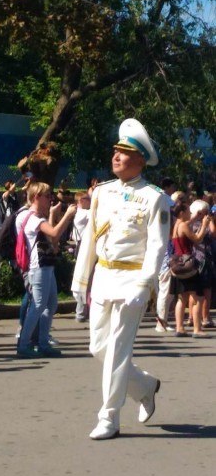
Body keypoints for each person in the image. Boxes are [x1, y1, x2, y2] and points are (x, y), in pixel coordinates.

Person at [71, 118, 171, 440]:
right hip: (103, 276)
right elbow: (90, 240)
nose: (116, 156)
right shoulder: (102, 192)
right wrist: (81, 280)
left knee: (117, 350)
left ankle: (109, 417)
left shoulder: (154, 198)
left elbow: (157, 244)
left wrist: (146, 284)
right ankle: (144, 385)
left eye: (125, 152)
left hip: (131, 278)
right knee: (98, 346)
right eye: (115, 150)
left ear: (140, 160)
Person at [16, 182, 77, 358]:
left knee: (50, 304)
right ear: (37, 197)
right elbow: (54, 233)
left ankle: (42, 343)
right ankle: (24, 343)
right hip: (39, 266)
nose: (50, 199)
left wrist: (52, 214)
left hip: (46, 265)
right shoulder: (34, 219)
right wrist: (67, 215)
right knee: (38, 304)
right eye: (47, 196)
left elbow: (51, 240)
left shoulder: (33, 216)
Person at [169, 201, 210, 337]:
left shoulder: (177, 225)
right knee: (198, 297)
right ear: (182, 213)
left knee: (182, 298)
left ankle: (180, 327)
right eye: (188, 211)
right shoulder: (184, 226)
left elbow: (186, 224)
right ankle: (197, 329)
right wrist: (204, 224)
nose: (190, 213)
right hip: (188, 264)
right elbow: (197, 239)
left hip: (177, 263)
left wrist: (196, 218)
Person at [71, 192, 91, 322]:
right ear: (81, 201)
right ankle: (80, 312)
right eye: (88, 199)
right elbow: (98, 213)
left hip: (82, 246)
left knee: (85, 278)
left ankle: (83, 311)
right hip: (83, 246)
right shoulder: (82, 213)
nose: (90, 201)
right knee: (84, 278)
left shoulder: (81, 213)